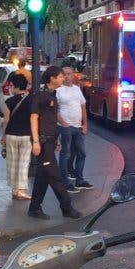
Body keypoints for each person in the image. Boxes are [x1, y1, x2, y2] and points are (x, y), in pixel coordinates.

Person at [28, 66, 81, 220]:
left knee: (42, 176)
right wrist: (36, 141)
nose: (63, 78)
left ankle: (34, 208)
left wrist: (56, 139)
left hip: (51, 140)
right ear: (51, 78)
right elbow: (33, 118)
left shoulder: (53, 96)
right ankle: (66, 207)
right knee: (55, 176)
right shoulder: (40, 96)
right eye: (60, 76)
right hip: (43, 142)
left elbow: (51, 120)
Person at [56, 64, 91, 192]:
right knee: (65, 154)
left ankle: (79, 180)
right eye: (64, 74)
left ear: (73, 75)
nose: (66, 76)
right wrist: (63, 123)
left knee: (82, 153)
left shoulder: (77, 89)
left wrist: (85, 124)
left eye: (69, 73)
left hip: (78, 127)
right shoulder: (58, 90)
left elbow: (83, 106)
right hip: (65, 127)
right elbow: (54, 110)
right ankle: (65, 183)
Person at [0, 73, 34, 200]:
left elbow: (6, 121)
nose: (10, 88)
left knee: (12, 163)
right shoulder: (31, 100)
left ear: (17, 86)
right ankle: (21, 190)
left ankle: (14, 189)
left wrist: (3, 136)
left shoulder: (9, 101)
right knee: (23, 164)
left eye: (12, 85)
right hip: (26, 136)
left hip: (11, 135)